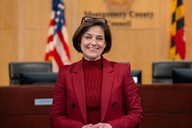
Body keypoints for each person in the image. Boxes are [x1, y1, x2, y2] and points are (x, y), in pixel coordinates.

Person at [50, 16, 144, 128]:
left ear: (105, 44)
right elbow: (56, 117)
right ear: (80, 40)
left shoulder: (122, 71)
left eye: (99, 38)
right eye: (88, 37)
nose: (93, 43)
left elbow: (136, 114)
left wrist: (111, 126)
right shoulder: (65, 73)